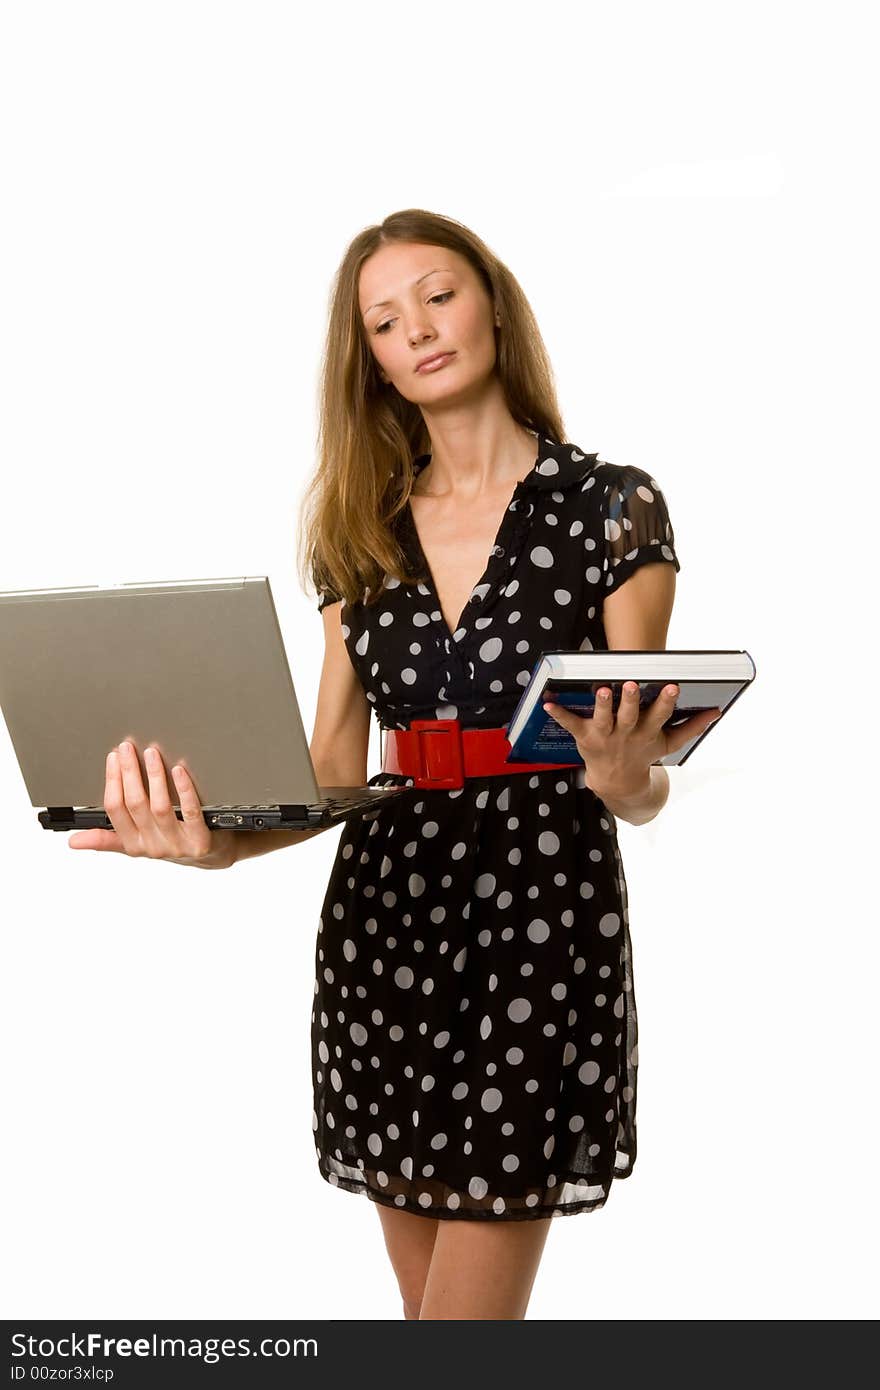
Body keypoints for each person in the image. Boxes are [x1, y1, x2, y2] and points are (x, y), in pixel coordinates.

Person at [69, 208, 719, 1320]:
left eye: (438, 294)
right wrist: (218, 841)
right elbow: (332, 761)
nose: (416, 328)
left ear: (494, 305)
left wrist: (624, 781)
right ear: (366, 359)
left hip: (541, 910)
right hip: (387, 912)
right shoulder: (354, 529)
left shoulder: (613, 506)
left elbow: (637, 760)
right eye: (381, 320)